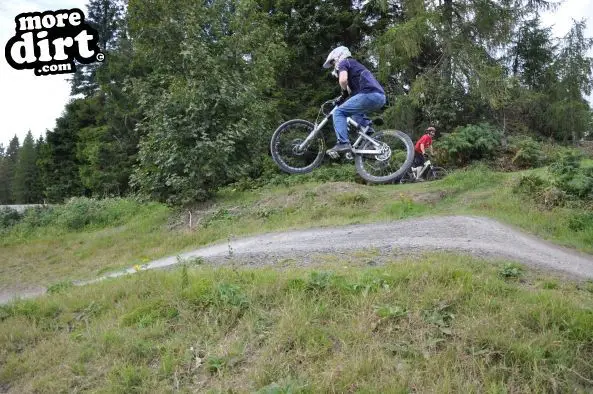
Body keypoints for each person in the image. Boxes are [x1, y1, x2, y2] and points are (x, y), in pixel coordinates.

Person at [322, 46, 386, 155]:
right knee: (356, 116)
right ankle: (369, 138)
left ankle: (343, 143)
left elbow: (343, 80)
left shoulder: (344, 62)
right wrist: (343, 96)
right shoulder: (355, 65)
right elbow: (350, 91)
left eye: (333, 62)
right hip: (379, 96)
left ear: (339, 56)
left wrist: (343, 93)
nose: (333, 65)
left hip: (369, 94)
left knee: (338, 112)